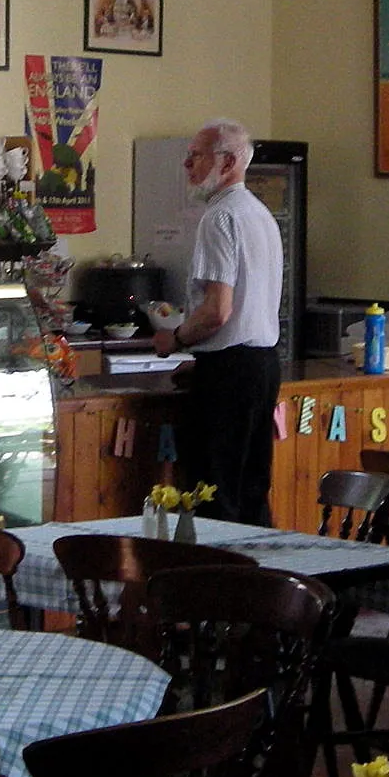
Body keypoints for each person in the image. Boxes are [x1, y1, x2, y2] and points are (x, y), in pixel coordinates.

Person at [153, 120, 283, 525]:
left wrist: (174, 339)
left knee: (215, 492)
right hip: (262, 365)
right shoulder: (259, 213)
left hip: (231, 372)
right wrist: (206, 358)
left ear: (227, 162)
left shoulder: (220, 217)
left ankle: (218, 583)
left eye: (196, 154)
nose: (186, 163)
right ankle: (260, 581)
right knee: (251, 488)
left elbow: (217, 311)